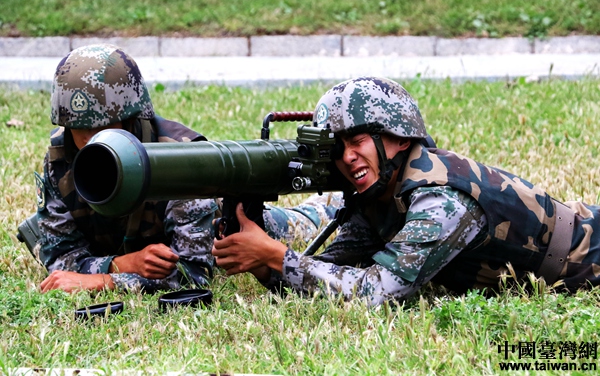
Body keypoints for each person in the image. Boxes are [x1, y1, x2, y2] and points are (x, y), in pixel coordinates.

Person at [212, 76, 600, 306]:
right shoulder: (381, 195)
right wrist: (265, 264)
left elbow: (377, 294)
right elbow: (333, 275)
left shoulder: (441, 201)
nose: (347, 158)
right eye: (338, 148)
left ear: (397, 140)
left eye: (359, 141)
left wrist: (277, 254)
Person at [33, 43, 341, 294]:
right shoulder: (61, 159)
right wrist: (123, 264)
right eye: (77, 127)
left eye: (101, 126)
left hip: (226, 222)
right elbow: (61, 258)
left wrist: (104, 281)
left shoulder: (179, 159)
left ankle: (329, 204)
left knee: (304, 221)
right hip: (130, 250)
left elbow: (191, 272)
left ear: (131, 119)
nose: (89, 139)